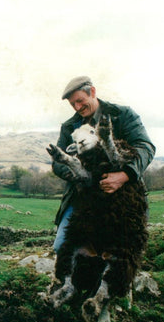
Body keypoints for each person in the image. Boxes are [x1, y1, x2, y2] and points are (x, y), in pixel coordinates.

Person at [51, 76, 156, 253]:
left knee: (122, 247)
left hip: (122, 194)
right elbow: (58, 164)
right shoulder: (69, 127)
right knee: (62, 246)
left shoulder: (122, 115)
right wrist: (83, 177)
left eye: (80, 101)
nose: (77, 108)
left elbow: (145, 147)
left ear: (92, 92)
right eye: (72, 104)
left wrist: (125, 175)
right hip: (84, 197)